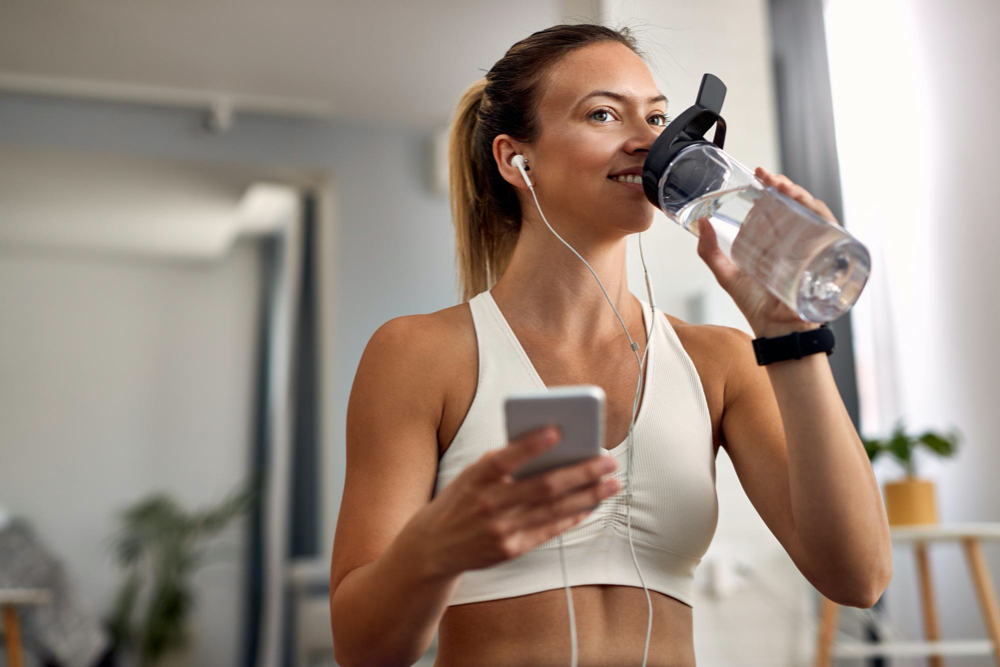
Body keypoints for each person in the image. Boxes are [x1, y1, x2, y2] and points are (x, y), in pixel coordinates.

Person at [329, 23, 893, 666]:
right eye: (603, 113)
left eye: (658, 117)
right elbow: (361, 649)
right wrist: (437, 546)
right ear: (518, 160)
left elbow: (860, 578)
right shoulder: (421, 354)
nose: (649, 141)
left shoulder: (720, 361)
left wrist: (791, 339)